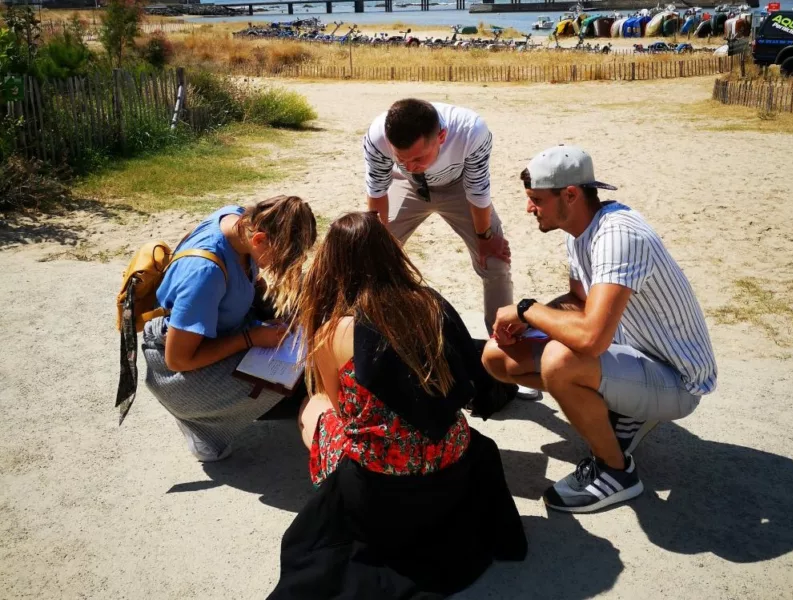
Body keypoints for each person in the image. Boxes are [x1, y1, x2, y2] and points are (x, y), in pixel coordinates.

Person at [267, 212, 526, 600]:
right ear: (391, 253)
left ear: (332, 263)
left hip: (381, 481)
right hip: (449, 455)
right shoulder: (430, 305)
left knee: (314, 408)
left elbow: (340, 408)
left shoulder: (332, 332)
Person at [482, 146, 717, 514]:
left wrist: (527, 310)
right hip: (635, 355)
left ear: (570, 195)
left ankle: (618, 472)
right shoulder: (577, 228)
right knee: (498, 357)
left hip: (678, 380)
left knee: (562, 362)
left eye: (536, 200)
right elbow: (579, 300)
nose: (530, 209)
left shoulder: (618, 235)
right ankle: (627, 410)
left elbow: (591, 338)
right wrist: (521, 324)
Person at [363, 98, 541, 400]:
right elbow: (377, 192)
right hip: (405, 186)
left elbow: (477, 188)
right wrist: (378, 244)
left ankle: (508, 356)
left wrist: (485, 237)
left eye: (418, 157)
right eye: (401, 158)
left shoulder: (471, 131)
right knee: (368, 259)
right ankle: (365, 346)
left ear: (441, 138)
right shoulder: (378, 136)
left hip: (459, 187)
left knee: (495, 263)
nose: (411, 164)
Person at [142, 196, 317, 462]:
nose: (287, 266)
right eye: (284, 258)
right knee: (298, 382)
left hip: (219, 329)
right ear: (258, 239)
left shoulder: (238, 220)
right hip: (176, 374)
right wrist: (251, 338)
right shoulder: (205, 273)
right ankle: (201, 424)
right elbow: (177, 360)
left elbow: (246, 276)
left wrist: (261, 302)